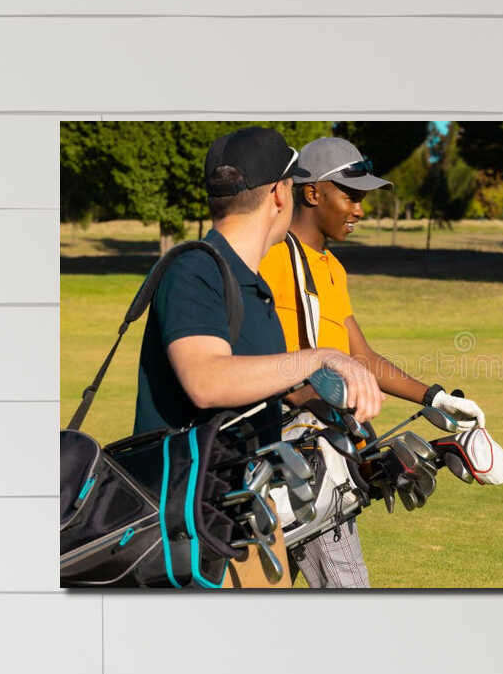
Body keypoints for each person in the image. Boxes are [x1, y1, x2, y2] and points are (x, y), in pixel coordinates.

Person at [257, 135, 503, 589]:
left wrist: (436, 398)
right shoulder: (271, 258)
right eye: (350, 196)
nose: (359, 210)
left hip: (324, 450)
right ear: (311, 193)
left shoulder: (331, 269)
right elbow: (270, 366)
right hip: (294, 456)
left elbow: (362, 356)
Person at [133, 127, 383, 444]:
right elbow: (206, 381)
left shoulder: (254, 287)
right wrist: (320, 358)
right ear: (280, 194)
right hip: (179, 493)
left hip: (231, 491)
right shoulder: (195, 269)